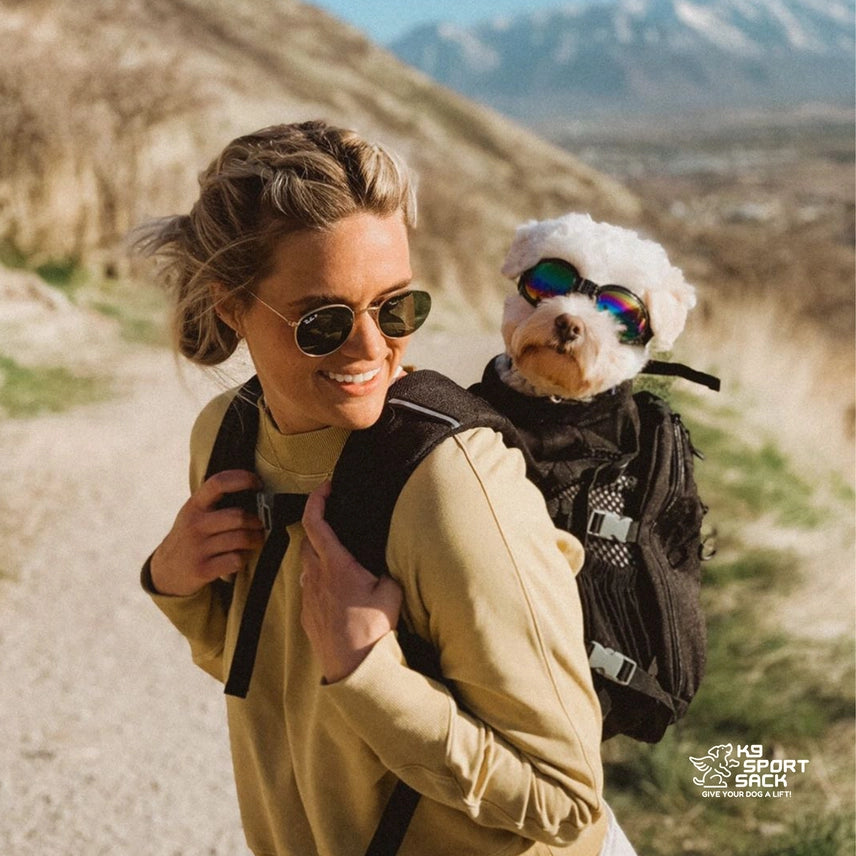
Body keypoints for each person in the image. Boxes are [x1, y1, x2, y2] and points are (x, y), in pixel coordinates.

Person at [137, 120, 634, 856]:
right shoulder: (227, 438)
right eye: (322, 320)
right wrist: (176, 585)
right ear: (230, 305)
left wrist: (369, 674)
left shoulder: (453, 486)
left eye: (396, 306)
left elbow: (565, 800)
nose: (372, 346)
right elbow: (269, 677)